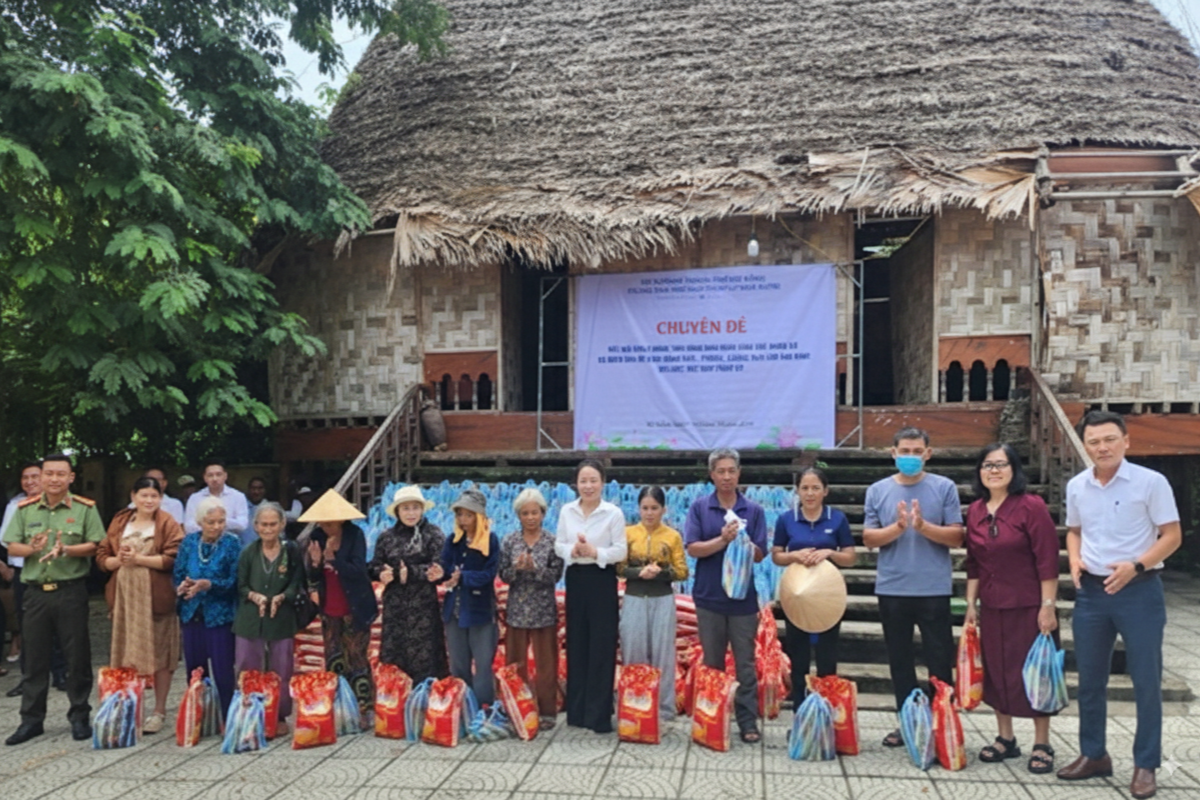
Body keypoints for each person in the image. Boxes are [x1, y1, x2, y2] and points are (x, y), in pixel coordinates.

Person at [1057, 411, 1181, 800]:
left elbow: (1172, 535)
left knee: (1146, 680)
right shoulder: (1077, 485)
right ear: (1086, 446)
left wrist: (1137, 565)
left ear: (1126, 440)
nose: (1102, 447)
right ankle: (1094, 754)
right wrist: (1074, 558)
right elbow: (1074, 531)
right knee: (1090, 681)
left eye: (1110, 439)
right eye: (1094, 442)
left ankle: (1146, 764)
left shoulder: (1151, 482)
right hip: (1092, 593)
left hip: (1139, 589)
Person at [862, 427, 964, 749]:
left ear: (928, 453)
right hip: (893, 587)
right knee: (900, 659)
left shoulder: (944, 488)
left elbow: (957, 536)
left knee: (938, 658)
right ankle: (907, 722)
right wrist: (898, 527)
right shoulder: (877, 491)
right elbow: (868, 539)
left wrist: (922, 527)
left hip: (933, 588)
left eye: (916, 451)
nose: (910, 457)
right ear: (893, 453)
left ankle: (940, 722)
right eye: (904, 451)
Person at [963, 443, 1060, 773]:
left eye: (1001, 464)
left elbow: (1047, 559)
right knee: (997, 672)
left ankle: (1042, 742)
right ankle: (1006, 738)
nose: (993, 470)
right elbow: (973, 563)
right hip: (992, 606)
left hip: (1028, 605)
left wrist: (1048, 605)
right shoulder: (975, 510)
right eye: (987, 464)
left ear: (1014, 470)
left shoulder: (1031, 506)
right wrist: (971, 606)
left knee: (1035, 673)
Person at [3, 454, 105, 745]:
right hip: (35, 593)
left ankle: (79, 716)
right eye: (49, 474)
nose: (54, 479)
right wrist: (31, 548)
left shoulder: (85, 508)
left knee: (77, 656)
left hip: (70, 591)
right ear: (42, 476)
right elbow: (12, 545)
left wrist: (67, 551)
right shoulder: (25, 509)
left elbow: (95, 544)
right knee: (34, 659)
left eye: (61, 474)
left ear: (71, 477)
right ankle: (31, 720)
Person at [684, 448, 768, 744]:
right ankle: (713, 718)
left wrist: (743, 542)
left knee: (745, 662)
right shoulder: (700, 508)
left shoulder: (753, 510)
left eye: (732, 470)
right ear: (712, 474)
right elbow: (693, 548)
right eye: (721, 471)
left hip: (743, 599)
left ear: (739, 473)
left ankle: (747, 721)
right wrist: (723, 539)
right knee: (713, 662)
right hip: (709, 597)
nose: (727, 476)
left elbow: (760, 555)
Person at [97, 476, 184, 733]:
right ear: (133, 496)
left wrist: (139, 559)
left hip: (155, 595)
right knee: (126, 650)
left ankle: (159, 710)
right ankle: (128, 705)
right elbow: (102, 554)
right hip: (125, 595)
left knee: (160, 651)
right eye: (143, 495)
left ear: (160, 498)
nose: (148, 501)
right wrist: (116, 562)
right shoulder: (120, 520)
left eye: (153, 496)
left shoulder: (167, 522)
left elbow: (173, 558)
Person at [770, 467, 856, 699]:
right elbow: (776, 555)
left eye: (815, 488)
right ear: (797, 491)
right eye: (805, 488)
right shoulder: (787, 520)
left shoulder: (837, 519)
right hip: (796, 594)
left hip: (828, 597)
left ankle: (828, 713)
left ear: (825, 491)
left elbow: (850, 557)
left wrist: (830, 553)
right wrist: (793, 556)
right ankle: (801, 713)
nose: (810, 493)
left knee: (827, 659)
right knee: (799, 658)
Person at [556, 460, 626, 733]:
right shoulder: (566, 511)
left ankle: (598, 714)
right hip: (576, 579)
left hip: (602, 580)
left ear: (603, 482)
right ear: (576, 483)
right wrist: (573, 550)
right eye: (583, 480)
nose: (588, 486)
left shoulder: (613, 513)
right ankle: (578, 711)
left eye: (593, 480)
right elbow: (558, 544)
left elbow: (620, 551)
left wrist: (595, 553)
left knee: (602, 644)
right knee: (577, 643)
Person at [301, 490, 378, 718]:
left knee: (356, 656)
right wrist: (316, 563)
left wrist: (333, 558)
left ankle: (363, 707)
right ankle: (338, 707)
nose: (327, 526)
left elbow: (359, 570)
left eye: (331, 522)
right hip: (329, 606)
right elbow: (312, 574)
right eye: (323, 522)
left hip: (355, 604)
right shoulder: (316, 535)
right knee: (334, 656)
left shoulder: (355, 535)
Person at [232, 503, 305, 733]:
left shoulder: (290, 550)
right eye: (263, 524)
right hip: (250, 616)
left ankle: (280, 715)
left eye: (273, 524)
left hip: (281, 616)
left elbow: (297, 581)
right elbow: (241, 586)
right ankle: (249, 709)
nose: (268, 529)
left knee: (281, 667)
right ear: (255, 526)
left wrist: (283, 597)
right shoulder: (248, 552)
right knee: (246, 664)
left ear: (282, 524)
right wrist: (255, 596)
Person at [497, 487, 564, 730]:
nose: (530, 517)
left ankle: (547, 712)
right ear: (519, 516)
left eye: (535, 512)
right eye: (525, 513)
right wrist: (517, 569)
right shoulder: (510, 541)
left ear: (543, 513)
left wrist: (535, 568)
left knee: (546, 664)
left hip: (544, 609)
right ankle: (516, 706)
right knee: (515, 663)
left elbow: (556, 575)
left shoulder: (552, 541)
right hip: (517, 610)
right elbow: (503, 575)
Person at [619, 486, 687, 720]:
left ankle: (664, 708)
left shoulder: (672, 536)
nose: (649, 513)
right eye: (645, 508)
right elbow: (619, 567)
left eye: (654, 508)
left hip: (662, 599)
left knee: (663, 652)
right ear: (638, 509)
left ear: (663, 509)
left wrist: (659, 572)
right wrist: (639, 572)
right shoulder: (628, 534)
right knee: (633, 650)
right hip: (634, 598)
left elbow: (682, 571)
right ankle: (633, 704)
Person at [368, 486, 449, 682]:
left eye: (415, 508)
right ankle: (395, 701)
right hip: (395, 605)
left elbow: (441, 566)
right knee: (395, 655)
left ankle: (425, 698)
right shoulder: (386, 537)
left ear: (422, 509)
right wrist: (381, 573)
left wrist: (411, 572)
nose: (411, 513)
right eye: (405, 508)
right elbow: (373, 565)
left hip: (423, 605)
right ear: (397, 511)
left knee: (425, 657)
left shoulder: (433, 534)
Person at [174, 496, 241, 711]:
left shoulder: (232, 543)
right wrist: (183, 586)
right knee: (195, 670)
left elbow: (235, 581)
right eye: (211, 522)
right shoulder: (190, 542)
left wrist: (208, 584)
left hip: (219, 615)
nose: (217, 526)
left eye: (221, 521)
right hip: (191, 613)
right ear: (200, 522)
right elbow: (178, 572)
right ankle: (199, 717)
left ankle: (227, 716)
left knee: (223, 670)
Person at [441, 488, 500, 707]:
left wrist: (463, 577)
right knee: (458, 663)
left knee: (483, 663)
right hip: (454, 609)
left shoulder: (490, 541)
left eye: (468, 515)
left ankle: (484, 707)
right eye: (460, 515)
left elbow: (489, 573)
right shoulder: (453, 541)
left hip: (479, 609)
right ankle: (462, 707)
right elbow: (445, 567)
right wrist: (441, 574)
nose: (463, 520)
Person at [2, 462, 41, 672]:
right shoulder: (15, 505)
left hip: (50, 570)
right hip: (23, 570)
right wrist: (29, 548)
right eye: (25, 478)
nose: (30, 482)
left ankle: (60, 673)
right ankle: (28, 675)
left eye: (35, 477)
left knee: (56, 624)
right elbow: (4, 539)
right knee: (26, 623)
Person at [184, 460, 250, 544]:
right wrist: (210, 529)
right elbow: (189, 526)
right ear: (205, 477)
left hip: (230, 544)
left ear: (225, 476)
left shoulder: (238, 496)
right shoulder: (195, 498)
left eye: (218, 474)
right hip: (200, 544)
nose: (214, 479)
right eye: (210, 475)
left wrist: (220, 522)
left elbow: (243, 524)